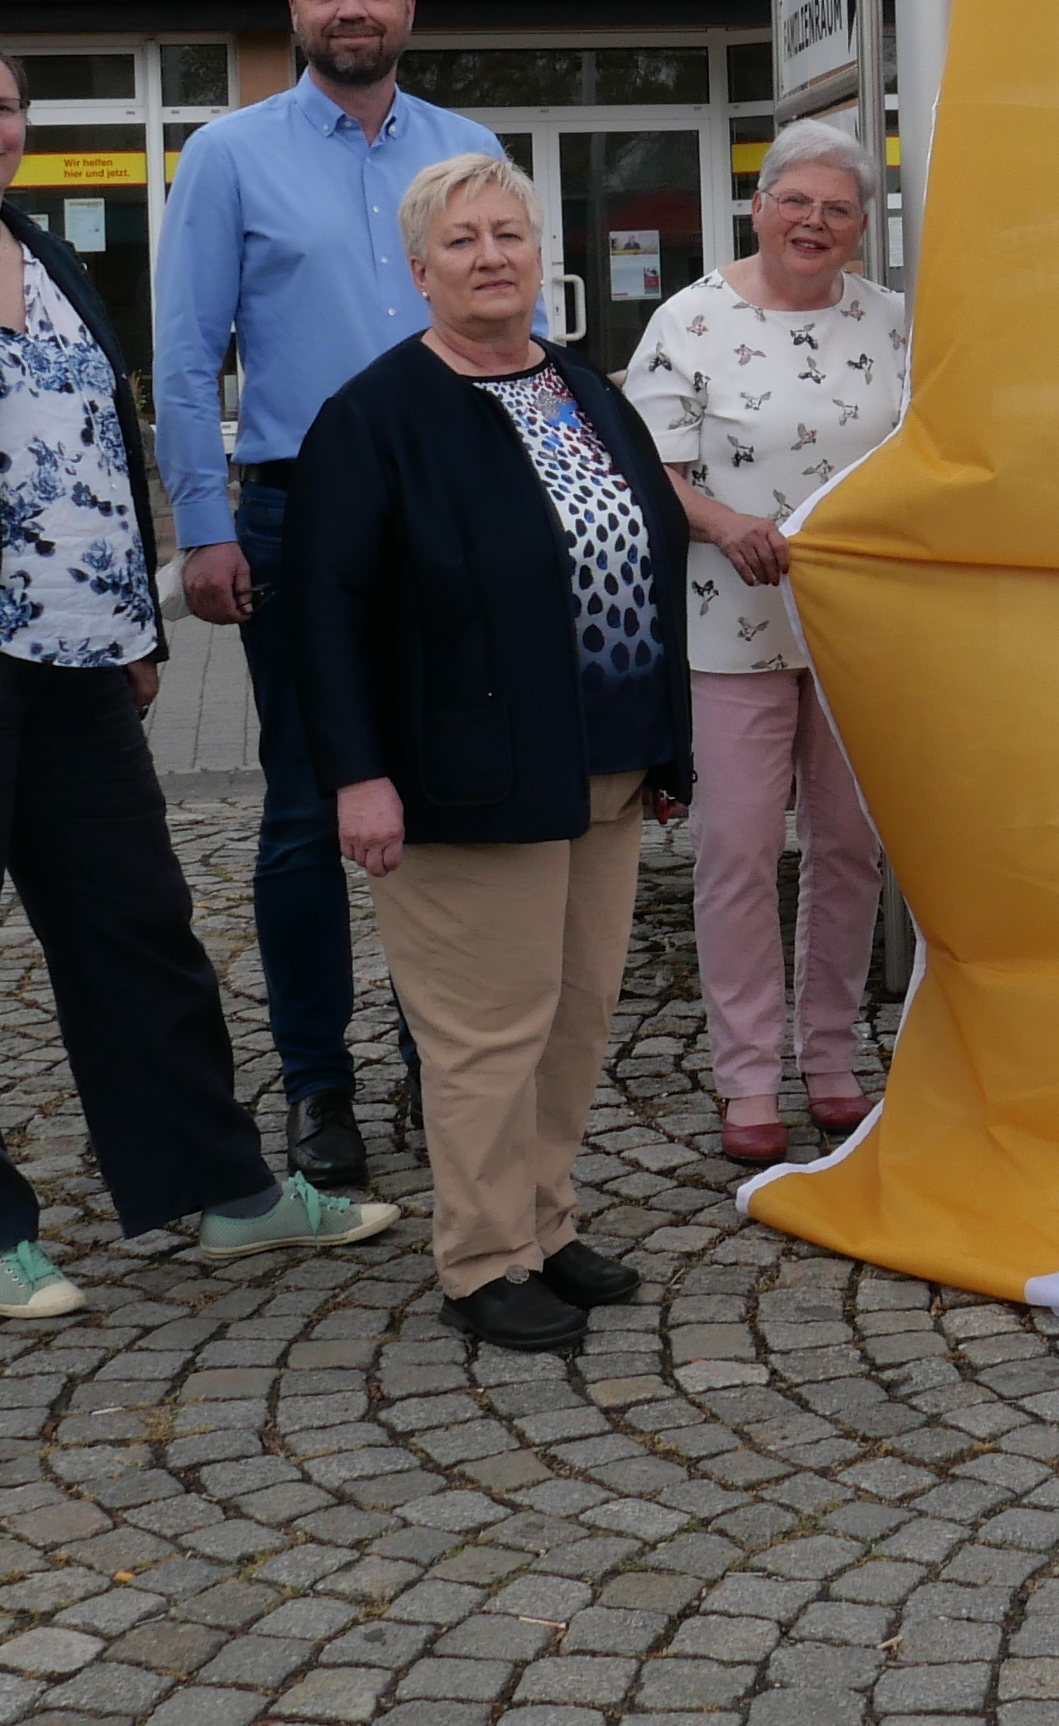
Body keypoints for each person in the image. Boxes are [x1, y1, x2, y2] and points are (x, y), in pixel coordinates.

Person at [0, 29, 404, 1319]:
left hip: (79, 661)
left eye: (1, 107)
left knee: (139, 934)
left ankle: (223, 1191)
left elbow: (97, 450)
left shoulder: (52, 257)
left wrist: (134, 629)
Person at [292, 152, 695, 1353]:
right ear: (419, 271)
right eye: (461, 241)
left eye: (507, 234)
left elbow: (647, 555)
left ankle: (543, 1222)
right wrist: (356, 774)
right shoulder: (374, 416)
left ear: (540, 254)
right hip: (463, 774)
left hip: (603, 758)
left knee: (575, 1017)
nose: (489, 258)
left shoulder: (582, 387)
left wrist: (664, 747)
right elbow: (324, 612)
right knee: (486, 1030)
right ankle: (481, 1258)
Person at [154, 0, 498, 1188]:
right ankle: (317, 1085)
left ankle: (440, 1063)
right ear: (293, 11)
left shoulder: (470, 151)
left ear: (410, 8)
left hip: (454, 506)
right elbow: (186, 352)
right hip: (297, 511)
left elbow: (505, 329)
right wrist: (202, 523)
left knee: (449, 797)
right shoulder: (229, 155)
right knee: (309, 803)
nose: (351, 8)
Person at [624, 118, 910, 1166]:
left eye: (838, 209)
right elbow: (651, 472)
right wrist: (725, 523)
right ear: (759, 206)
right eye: (796, 201)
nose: (814, 222)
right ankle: (747, 1076)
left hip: (856, 633)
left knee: (849, 849)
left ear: (861, 228)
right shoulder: (691, 320)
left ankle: (830, 1058)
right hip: (729, 629)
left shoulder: (894, 323)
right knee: (738, 852)